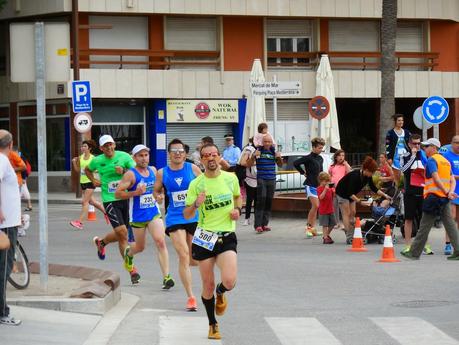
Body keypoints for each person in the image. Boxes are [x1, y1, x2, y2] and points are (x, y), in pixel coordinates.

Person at [183, 143, 241, 340]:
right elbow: (186, 212)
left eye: (214, 155)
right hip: (204, 238)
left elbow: (237, 197)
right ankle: (212, 323)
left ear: (219, 157)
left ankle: (221, 292)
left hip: (226, 236)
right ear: (201, 159)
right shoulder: (196, 184)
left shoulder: (230, 178)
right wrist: (196, 204)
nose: (211, 158)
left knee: (230, 280)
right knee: (207, 284)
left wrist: (238, 210)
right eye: (206, 155)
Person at [114, 144, 175, 288]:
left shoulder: (154, 171)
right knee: (140, 247)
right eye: (140, 155)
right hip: (137, 217)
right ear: (134, 158)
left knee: (160, 242)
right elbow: (118, 193)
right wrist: (135, 193)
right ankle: (129, 254)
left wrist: (159, 196)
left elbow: (158, 190)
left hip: (153, 213)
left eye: (146, 155)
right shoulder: (130, 174)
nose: (144, 158)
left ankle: (167, 277)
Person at [85, 135, 140, 283]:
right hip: (109, 200)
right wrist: (93, 180)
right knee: (123, 233)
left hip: (124, 198)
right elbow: (87, 169)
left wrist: (123, 171)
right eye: (105, 146)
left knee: (121, 233)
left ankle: (102, 242)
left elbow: (136, 172)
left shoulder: (124, 156)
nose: (109, 148)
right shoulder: (97, 160)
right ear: (101, 148)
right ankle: (132, 270)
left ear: (114, 145)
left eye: (111, 145)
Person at [154, 139, 202, 310]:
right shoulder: (162, 173)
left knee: (194, 259)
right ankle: (191, 297)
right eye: (174, 150)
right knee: (183, 254)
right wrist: (158, 196)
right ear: (169, 154)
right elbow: (156, 190)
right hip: (174, 217)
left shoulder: (193, 169)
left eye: (180, 150)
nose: (177, 153)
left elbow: (206, 185)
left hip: (195, 217)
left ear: (185, 153)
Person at [401, 138, 459, 261]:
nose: (424, 149)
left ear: (433, 147)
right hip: (444, 198)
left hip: (433, 197)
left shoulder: (432, 160)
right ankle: (458, 251)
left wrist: (446, 192)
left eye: (427, 146)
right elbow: (452, 179)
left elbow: (436, 178)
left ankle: (414, 252)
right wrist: (450, 192)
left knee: (424, 226)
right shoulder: (445, 161)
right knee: (450, 225)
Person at [335, 156, 392, 244]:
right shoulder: (355, 176)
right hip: (342, 193)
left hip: (351, 194)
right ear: (366, 170)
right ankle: (349, 235)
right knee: (346, 213)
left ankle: (351, 228)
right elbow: (349, 193)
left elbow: (374, 188)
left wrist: (385, 195)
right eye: (371, 172)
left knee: (353, 212)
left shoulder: (368, 177)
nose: (372, 174)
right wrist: (360, 202)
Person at [0, 130, 22, 326]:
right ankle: (2, 312)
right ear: (11, 144)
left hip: (9, 223)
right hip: (5, 226)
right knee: (3, 269)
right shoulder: (1, 159)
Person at [400, 134, 434, 255]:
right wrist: (413, 156)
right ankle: (408, 245)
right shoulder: (404, 155)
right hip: (410, 192)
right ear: (409, 144)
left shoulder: (424, 155)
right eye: (415, 143)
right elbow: (403, 170)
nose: (417, 146)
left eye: (419, 143)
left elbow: (430, 170)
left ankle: (426, 244)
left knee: (424, 219)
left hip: (423, 191)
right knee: (408, 219)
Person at [247, 134, 282, 233]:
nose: (267, 143)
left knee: (268, 201)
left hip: (272, 178)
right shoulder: (258, 150)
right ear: (262, 142)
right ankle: (258, 225)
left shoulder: (273, 151)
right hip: (261, 178)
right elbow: (248, 164)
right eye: (265, 141)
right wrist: (253, 156)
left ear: (271, 143)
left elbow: (280, 165)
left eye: (269, 142)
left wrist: (279, 157)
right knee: (260, 201)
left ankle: (265, 224)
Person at [70, 140, 107, 230]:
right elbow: (78, 170)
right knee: (92, 202)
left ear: (89, 148)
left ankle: (80, 222)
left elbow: (99, 168)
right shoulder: (80, 157)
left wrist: (95, 171)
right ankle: (108, 213)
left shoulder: (93, 158)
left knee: (84, 202)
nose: (82, 148)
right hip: (83, 182)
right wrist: (74, 162)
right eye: (82, 146)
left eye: (85, 146)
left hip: (90, 181)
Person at [293, 137, 325, 237]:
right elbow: (296, 163)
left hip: (318, 185)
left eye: (322, 148)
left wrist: (324, 183)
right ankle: (308, 228)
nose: (321, 150)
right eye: (319, 148)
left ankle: (312, 229)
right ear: (314, 147)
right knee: (316, 206)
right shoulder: (308, 157)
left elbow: (321, 172)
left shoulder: (320, 158)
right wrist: (303, 172)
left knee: (315, 208)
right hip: (310, 184)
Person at [441, 135, 459, 255]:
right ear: (451, 143)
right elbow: (445, 174)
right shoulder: (446, 156)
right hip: (452, 191)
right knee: (451, 218)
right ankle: (448, 244)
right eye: (456, 142)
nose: (458, 145)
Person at [328, 149, 351, 229]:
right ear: (336, 157)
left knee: (343, 207)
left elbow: (349, 173)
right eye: (339, 155)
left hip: (343, 189)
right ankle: (336, 223)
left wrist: (346, 164)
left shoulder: (345, 165)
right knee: (334, 206)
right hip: (334, 189)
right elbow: (330, 176)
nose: (341, 157)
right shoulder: (332, 166)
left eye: (343, 155)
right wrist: (331, 187)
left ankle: (346, 223)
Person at [385, 114, 411, 183]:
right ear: (395, 122)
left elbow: (411, 143)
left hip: (406, 156)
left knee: (406, 176)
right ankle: (397, 191)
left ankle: (405, 192)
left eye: (402, 120)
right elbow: (387, 146)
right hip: (395, 157)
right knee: (397, 177)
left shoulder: (407, 132)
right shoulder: (390, 133)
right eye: (399, 120)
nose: (401, 122)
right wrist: (389, 157)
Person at [239, 137, 257, 226]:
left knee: (258, 200)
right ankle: (247, 218)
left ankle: (257, 219)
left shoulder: (263, 149)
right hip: (250, 178)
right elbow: (242, 163)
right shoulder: (249, 149)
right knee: (250, 199)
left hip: (260, 178)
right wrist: (255, 163)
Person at [317, 172, 336, 244]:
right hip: (323, 210)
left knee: (333, 224)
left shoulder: (329, 188)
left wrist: (333, 191)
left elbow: (334, 196)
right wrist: (325, 189)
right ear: (321, 181)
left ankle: (326, 235)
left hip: (330, 209)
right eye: (326, 181)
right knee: (325, 225)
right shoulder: (319, 188)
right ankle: (325, 238)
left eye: (328, 181)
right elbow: (320, 197)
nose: (327, 182)